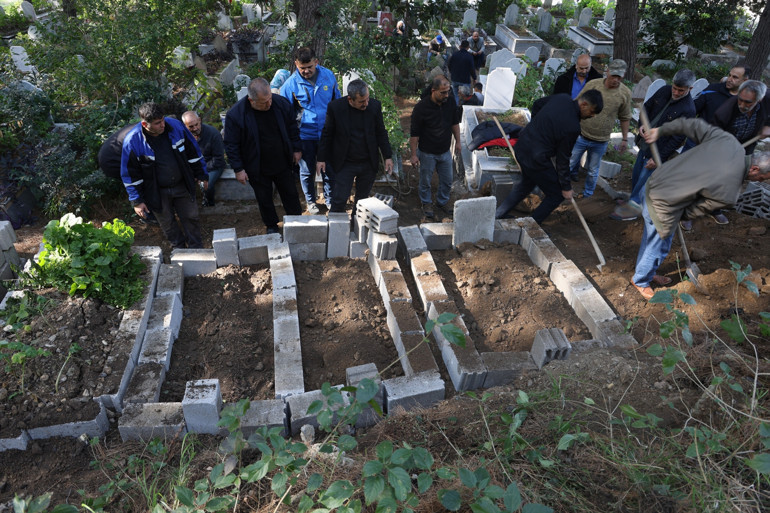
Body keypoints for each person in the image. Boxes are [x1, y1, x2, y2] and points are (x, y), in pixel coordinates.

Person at [630, 117, 769, 299]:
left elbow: (693, 125)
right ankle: (640, 280)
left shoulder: (728, 142)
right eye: (763, 178)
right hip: (663, 204)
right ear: (755, 169)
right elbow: (694, 211)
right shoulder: (731, 191)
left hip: (653, 182)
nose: (760, 181)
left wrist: (660, 130)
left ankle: (647, 271)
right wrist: (679, 214)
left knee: (651, 237)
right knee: (659, 246)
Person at [495, 90, 604, 224]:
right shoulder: (573, 127)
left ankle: (499, 214)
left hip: (522, 146)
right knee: (556, 194)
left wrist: (534, 127)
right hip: (536, 159)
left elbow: (537, 104)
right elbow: (563, 159)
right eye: (592, 112)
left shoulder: (562, 98)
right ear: (584, 105)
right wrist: (566, 187)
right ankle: (531, 225)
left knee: (526, 183)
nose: (592, 116)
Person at [611, 69, 696, 220]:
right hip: (644, 144)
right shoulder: (664, 91)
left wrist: (659, 158)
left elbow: (677, 139)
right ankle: (633, 201)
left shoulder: (688, 110)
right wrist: (643, 124)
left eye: (680, 90)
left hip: (658, 150)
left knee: (645, 180)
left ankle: (633, 210)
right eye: (674, 88)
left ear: (690, 89)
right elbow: (647, 107)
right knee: (637, 175)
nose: (675, 92)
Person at [120, 102, 207, 248]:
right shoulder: (133, 141)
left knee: (191, 217)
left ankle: (196, 248)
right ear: (144, 124)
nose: (162, 125)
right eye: (157, 123)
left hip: (182, 184)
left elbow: (193, 152)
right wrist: (137, 201)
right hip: (156, 191)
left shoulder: (176, 127)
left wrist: (202, 174)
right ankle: (179, 250)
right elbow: (129, 174)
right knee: (167, 223)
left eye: (163, 120)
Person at [224, 78, 303, 234]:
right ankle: (272, 225)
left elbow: (292, 128)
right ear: (251, 100)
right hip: (256, 165)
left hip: (282, 160)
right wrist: (238, 169)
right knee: (264, 198)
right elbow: (231, 144)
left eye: (269, 99)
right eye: (263, 102)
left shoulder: (281, 103)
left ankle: (296, 220)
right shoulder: (236, 115)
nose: (269, 104)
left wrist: (296, 149)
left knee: (290, 193)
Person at [680, 64, 751, 228]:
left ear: (745, 80)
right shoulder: (713, 90)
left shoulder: (747, 99)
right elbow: (693, 109)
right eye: (730, 75)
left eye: (735, 77)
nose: (730, 79)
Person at [280, 47, 341, 214]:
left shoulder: (328, 76)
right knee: (306, 171)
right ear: (296, 64)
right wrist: (293, 143)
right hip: (305, 135)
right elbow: (285, 114)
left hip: (327, 133)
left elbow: (337, 103)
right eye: (302, 68)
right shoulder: (290, 85)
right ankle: (311, 201)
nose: (306, 71)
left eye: (309, 67)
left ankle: (330, 200)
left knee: (329, 169)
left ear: (316, 62)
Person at [317, 79, 393, 214]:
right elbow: (327, 134)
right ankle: (336, 228)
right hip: (345, 162)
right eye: (362, 102)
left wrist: (388, 156)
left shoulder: (374, 107)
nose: (366, 104)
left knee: (362, 201)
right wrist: (321, 158)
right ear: (350, 100)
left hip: (368, 162)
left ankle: (356, 226)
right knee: (339, 198)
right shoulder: (336, 108)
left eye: (367, 99)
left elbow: (381, 132)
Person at [568, 59, 632, 197]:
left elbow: (625, 117)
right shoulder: (593, 85)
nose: (615, 79)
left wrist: (625, 139)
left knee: (592, 170)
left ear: (623, 76)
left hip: (601, 140)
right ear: (607, 71)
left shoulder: (625, 93)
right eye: (613, 75)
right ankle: (559, 187)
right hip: (581, 134)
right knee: (570, 163)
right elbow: (577, 104)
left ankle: (588, 194)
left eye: (619, 77)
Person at [409, 75, 462, 219]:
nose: (446, 95)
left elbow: (454, 123)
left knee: (447, 180)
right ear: (433, 90)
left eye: (448, 91)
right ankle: (426, 202)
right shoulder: (421, 108)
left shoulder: (450, 101)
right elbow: (414, 135)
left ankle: (442, 202)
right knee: (425, 181)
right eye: (443, 92)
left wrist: (458, 141)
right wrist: (414, 155)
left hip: (445, 151)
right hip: (427, 153)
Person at [182, 111, 226, 207]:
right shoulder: (184, 136)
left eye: (196, 124)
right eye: (191, 127)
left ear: (200, 120)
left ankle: (209, 203)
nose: (195, 128)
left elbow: (218, 159)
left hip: (213, 166)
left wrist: (201, 172)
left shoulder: (213, 134)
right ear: (185, 126)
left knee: (206, 185)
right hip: (195, 166)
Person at [447, 39, 477, 104]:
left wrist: (451, 72)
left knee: (455, 95)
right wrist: (474, 78)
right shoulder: (469, 56)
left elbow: (449, 64)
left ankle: (456, 107)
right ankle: (463, 108)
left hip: (455, 78)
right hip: (465, 80)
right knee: (465, 96)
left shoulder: (454, 55)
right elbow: (472, 69)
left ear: (460, 46)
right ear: (468, 47)